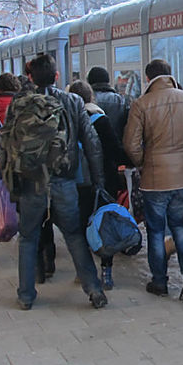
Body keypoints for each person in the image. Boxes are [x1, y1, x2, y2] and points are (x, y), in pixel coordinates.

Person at [7, 54, 108, 310]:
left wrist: (11, 180)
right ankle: (94, 290)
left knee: (28, 238)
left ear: (29, 77)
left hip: (31, 181)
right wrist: (98, 181)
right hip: (64, 180)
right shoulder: (73, 101)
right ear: (57, 76)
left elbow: (7, 141)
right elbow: (92, 143)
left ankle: (26, 295)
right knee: (73, 235)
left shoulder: (18, 103)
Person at [123, 58, 183, 300]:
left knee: (156, 231)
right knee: (180, 225)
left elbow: (130, 144)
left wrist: (144, 163)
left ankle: (160, 282)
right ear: (170, 75)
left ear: (148, 78)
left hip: (155, 179)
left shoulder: (141, 104)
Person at [68, 79, 127, 289]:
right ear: (91, 96)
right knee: (104, 225)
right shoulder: (100, 119)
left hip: (78, 181)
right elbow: (115, 150)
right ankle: (106, 271)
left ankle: (83, 271)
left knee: (80, 225)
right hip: (104, 181)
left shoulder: (68, 120)